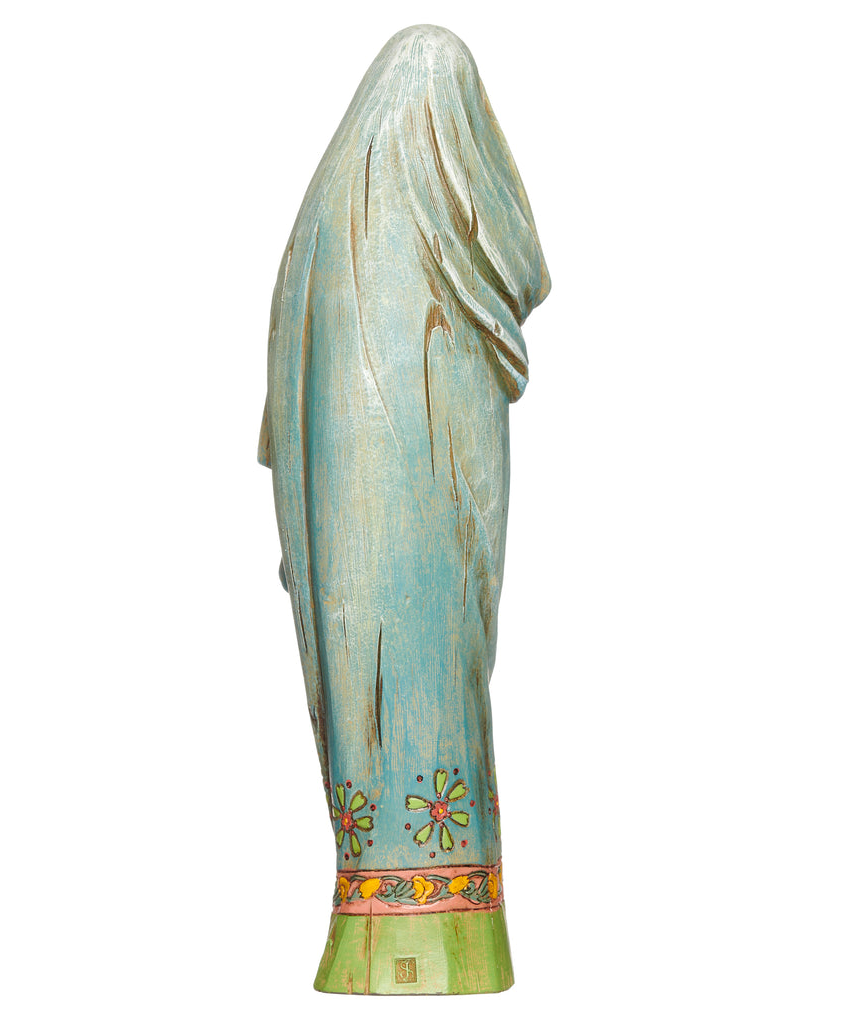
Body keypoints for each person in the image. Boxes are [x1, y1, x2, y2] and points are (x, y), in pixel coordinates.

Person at [258, 24, 549, 993]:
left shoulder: (317, 241)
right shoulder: (384, 245)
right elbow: (513, 266)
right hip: (402, 544)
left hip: (350, 562)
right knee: (428, 683)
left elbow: (283, 433)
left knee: (382, 698)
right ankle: (440, 930)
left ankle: (388, 917)